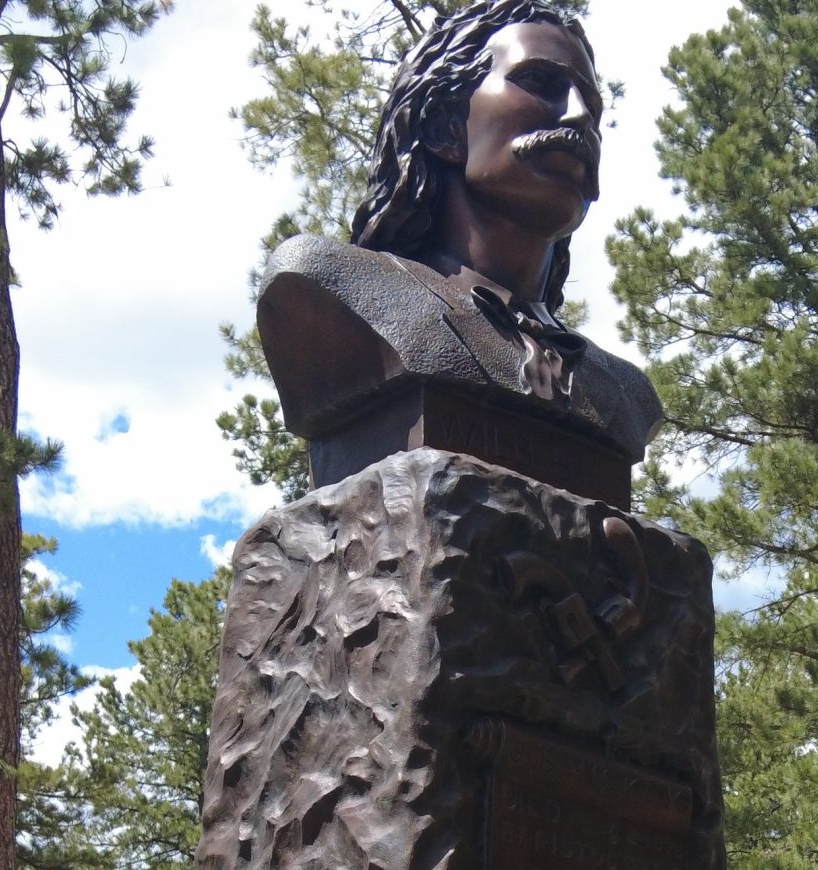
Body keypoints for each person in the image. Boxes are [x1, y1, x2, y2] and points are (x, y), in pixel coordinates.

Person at [255, 0, 660, 497]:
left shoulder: (623, 390)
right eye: (539, 83)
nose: (579, 118)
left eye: (593, 108)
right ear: (444, 124)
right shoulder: (327, 286)